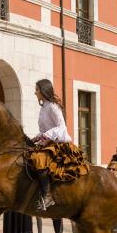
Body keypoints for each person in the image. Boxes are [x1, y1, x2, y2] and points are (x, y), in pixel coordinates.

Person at [30, 79, 77, 211]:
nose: (35, 93)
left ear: (44, 90)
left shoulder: (52, 106)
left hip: (59, 143)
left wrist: (46, 135)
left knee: (39, 159)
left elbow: (62, 127)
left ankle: (47, 196)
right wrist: (37, 137)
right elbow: (44, 130)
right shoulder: (44, 107)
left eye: (37, 90)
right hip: (48, 141)